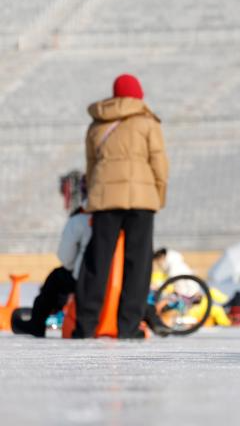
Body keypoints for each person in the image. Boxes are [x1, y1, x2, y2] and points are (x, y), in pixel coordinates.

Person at [74, 74, 169, 339]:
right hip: (141, 199)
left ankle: (85, 325)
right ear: (138, 94)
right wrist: (157, 195)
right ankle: (128, 327)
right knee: (138, 264)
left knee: (97, 262)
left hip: (105, 199)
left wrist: (95, 196)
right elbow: (159, 164)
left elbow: (91, 167)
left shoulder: (97, 124)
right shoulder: (147, 122)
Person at [11, 192, 92, 337]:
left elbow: (65, 258)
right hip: (119, 279)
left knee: (57, 278)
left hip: (87, 276)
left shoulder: (81, 219)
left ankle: (38, 322)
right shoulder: (128, 219)